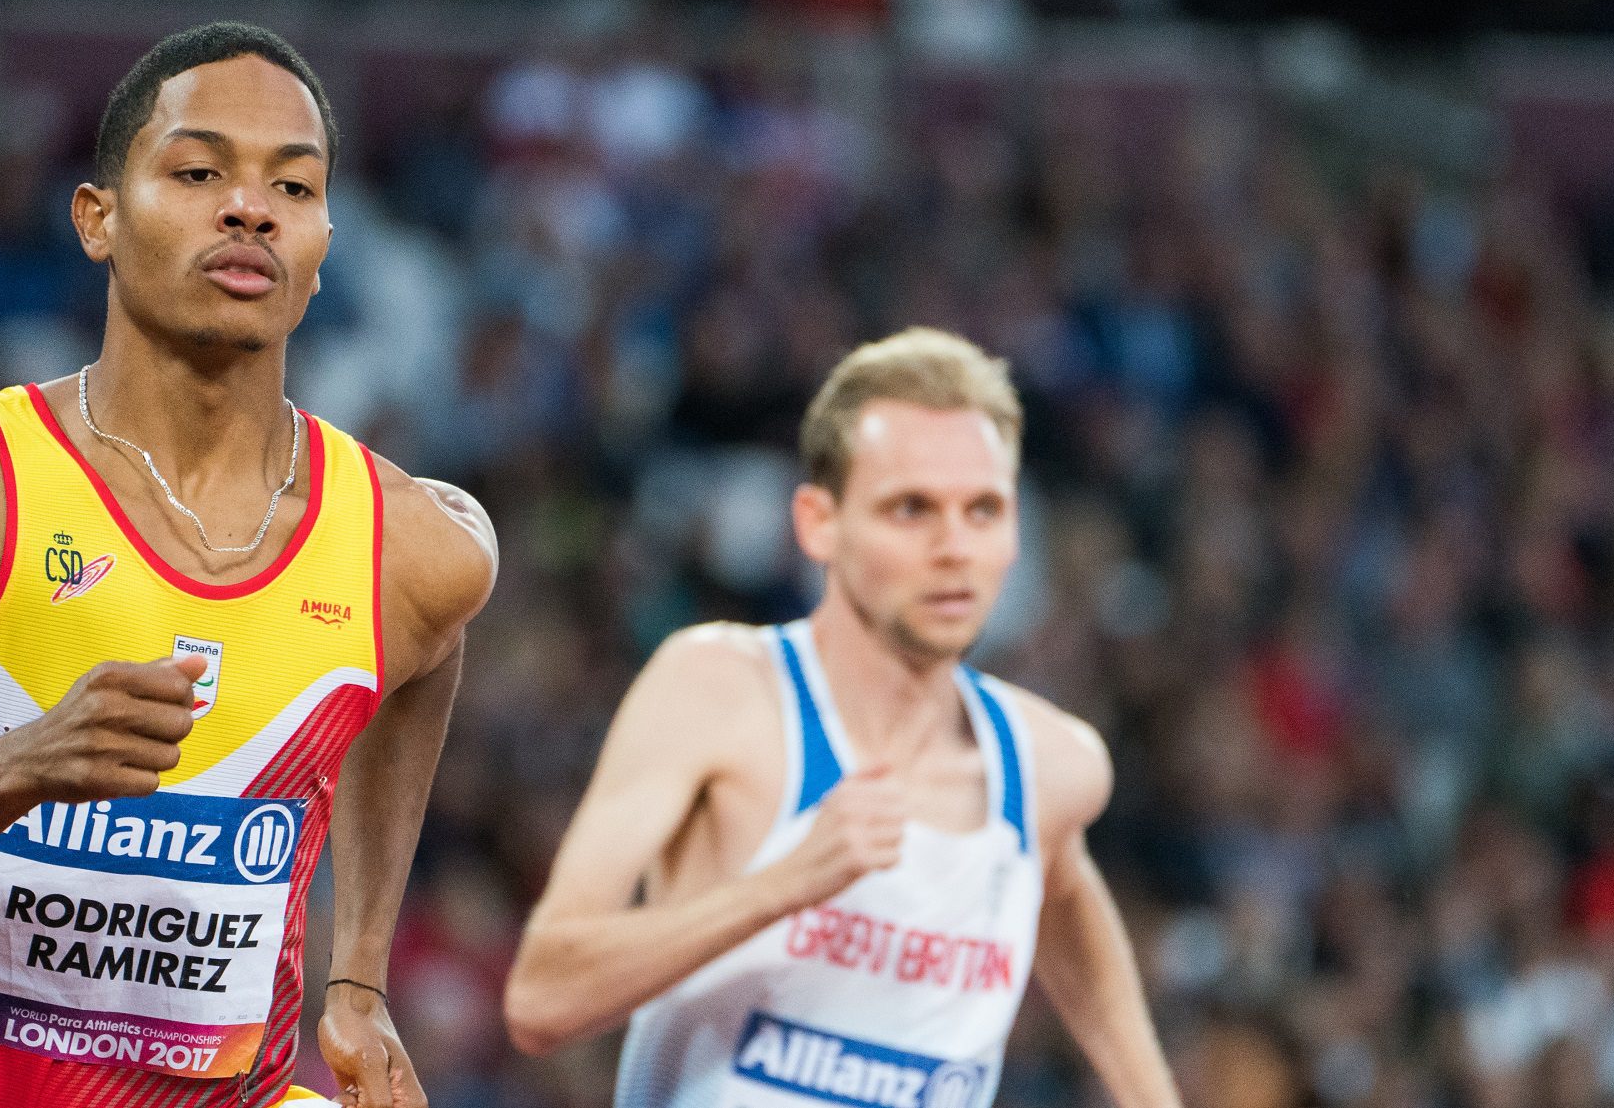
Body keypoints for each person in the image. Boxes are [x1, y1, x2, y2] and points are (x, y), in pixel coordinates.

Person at [0, 22, 495, 1108]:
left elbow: (429, 651)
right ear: (97, 218)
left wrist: (359, 977)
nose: (250, 208)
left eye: (293, 186)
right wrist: (17, 769)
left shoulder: (409, 544)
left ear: (323, 244)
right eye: (198, 172)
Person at [505, 328, 1181, 1108]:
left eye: (984, 510)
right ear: (819, 521)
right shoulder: (724, 694)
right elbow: (542, 998)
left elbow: (1063, 890)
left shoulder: (1050, 765)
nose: (954, 547)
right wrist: (785, 885)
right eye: (911, 508)